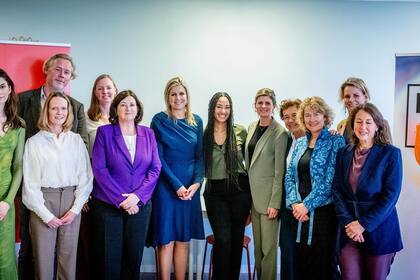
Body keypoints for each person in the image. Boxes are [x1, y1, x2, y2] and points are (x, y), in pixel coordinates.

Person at [17, 53, 87, 280]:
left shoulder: (75, 116)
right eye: (58, 69)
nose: (62, 75)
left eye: (67, 72)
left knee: (68, 257)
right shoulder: (22, 102)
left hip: (69, 195)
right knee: (34, 252)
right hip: (37, 194)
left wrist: (77, 204)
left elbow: (84, 169)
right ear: (47, 70)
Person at [91, 90, 161, 280]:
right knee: (109, 260)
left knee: (133, 257)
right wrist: (121, 199)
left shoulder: (148, 133)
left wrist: (137, 197)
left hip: (139, 206)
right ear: (116, 108)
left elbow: (155, 168)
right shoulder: (104, 132)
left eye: (132, 104)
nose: (128, 108)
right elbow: (99, 169)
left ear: (138, 109)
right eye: (123, 104)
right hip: (108, 205)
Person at [332, 103, 403, 280]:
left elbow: (391, 196)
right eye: (358, 121)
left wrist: (362, 224)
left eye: (368, 122)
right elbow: (337, 191)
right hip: (348, 231)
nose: (363, 127)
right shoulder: (343, 153)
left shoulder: (391, 154)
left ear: (377, 125)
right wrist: (350, 224)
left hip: (379, 230)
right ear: (352, 124)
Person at [150, 77, 204, 280]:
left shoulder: (196, 121)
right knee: (166, 240)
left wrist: (196, 184)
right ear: (167, 97)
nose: (178, 97)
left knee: (183, 239)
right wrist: (176, 185)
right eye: (173, 94)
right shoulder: (159, 120)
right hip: (166, 187)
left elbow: (200, 157)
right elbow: (158, 158)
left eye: (181, 93)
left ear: (187, 96)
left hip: (191, 189)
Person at [284, 96, 345, 280]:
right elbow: (289, 176)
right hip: (298, 213)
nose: (312, 119)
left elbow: (331, 181)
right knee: (300, 263)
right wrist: (295, 203)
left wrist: (306, 205)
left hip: (322, 214)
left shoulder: (336, 141)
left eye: (317, 114)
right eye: (308, 115)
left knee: (322, 265)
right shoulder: (301, 142)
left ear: (325, 116)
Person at [203, 92, 252, 279]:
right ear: (212, 108)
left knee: (236, 239)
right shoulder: (205, 134)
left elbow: (252, 162)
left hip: (240, 190)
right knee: (223, 239)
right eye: (219, 106)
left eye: (227, 107)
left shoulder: (240, 131)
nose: (223, 111)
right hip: (214, 192)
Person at [77, 74, 117, 280]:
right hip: (93, 186)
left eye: (109, 88)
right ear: (95, 92)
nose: (105, 92)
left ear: (115, 91)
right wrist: (83, 192)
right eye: (100, 88)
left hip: (117, 189)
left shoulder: (125, 118)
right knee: (90, 241)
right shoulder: (86, 118)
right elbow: (81, 157)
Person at [244, 88, 288, 280]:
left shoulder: (280, 133)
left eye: (267, 103)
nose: (263, 106)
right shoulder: (252, 126)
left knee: (269, 250)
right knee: (258, 249)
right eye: (260, 102)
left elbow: (280, 172)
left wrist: (275, 203)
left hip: (269, 200)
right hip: (253, 198)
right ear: (255, 106)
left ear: (274, 106)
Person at [0, 69, 25, 280]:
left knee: (4, 256)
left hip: (5, 200)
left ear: (9, 89)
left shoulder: (19, 126)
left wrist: (7, 202)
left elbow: (18, 167)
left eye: (2, 86)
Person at [278, 98, 305, 280]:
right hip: (288, 207)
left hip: (306, 208)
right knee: (287, 252)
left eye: (294, 115)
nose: (290, 121)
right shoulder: (287, 140)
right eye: (286, 117)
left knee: (303, 257)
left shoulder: (314, 140)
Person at [337, 77, 391, 143]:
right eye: (347, 96)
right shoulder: (341, 125)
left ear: (365, 97)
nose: (351, 100)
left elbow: (388, 151)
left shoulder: (381, 124)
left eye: (356, 95)